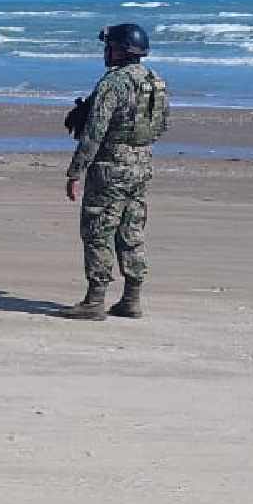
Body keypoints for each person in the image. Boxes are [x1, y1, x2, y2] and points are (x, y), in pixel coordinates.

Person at [63, 23, 170, 320]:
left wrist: (76, 171)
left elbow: (94, 132)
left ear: (120, 50)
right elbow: (162, 125)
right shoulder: (155, 81)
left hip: (111, 166)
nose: (105, 52)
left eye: (109, 46)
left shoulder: (114, 83)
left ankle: (95, 300)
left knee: (98, 230)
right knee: (131, 230)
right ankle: (131, 298)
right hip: (141, 163)